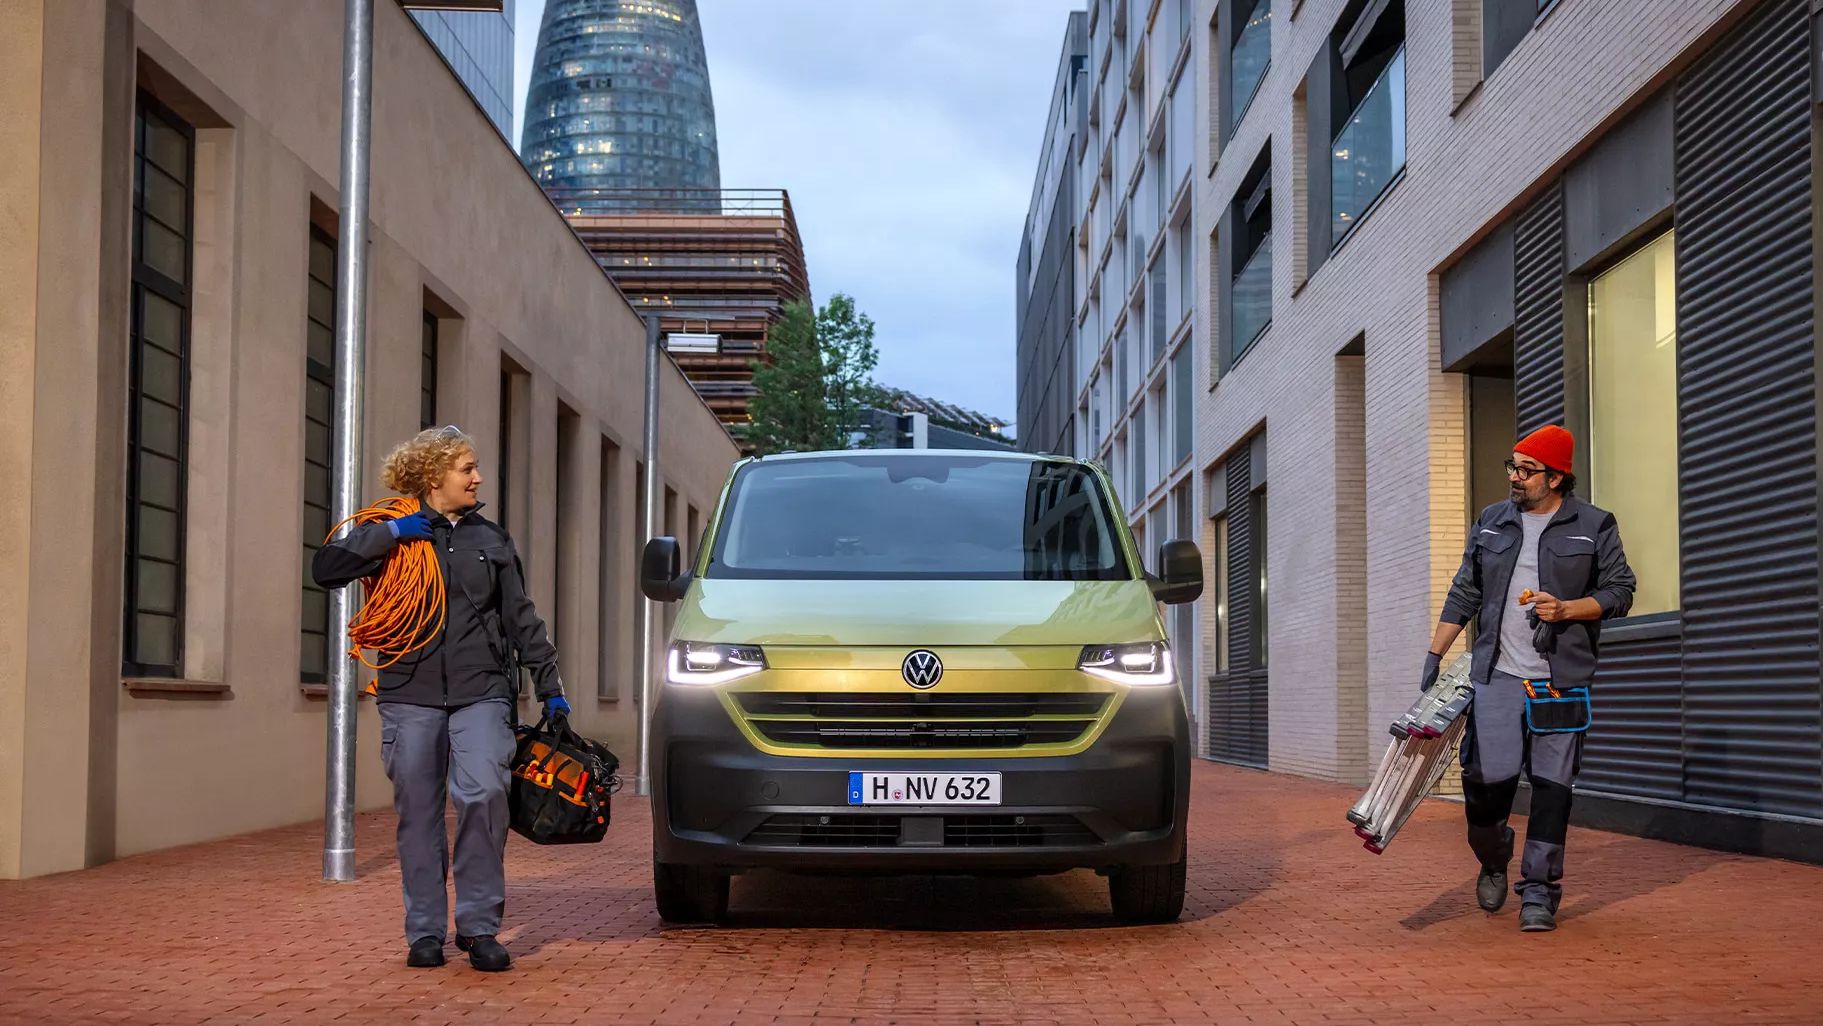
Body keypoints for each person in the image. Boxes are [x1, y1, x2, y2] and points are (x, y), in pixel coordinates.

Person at [313, 425, 568, 971]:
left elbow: (520, 616)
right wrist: (393, 534)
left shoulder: (492, 539)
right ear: (433, 476)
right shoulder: (393, 532)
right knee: (419, 813)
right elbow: (327, 569)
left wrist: (550, 687)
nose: (478, 479)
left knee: (484, 795)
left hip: (482, 691)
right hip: (409, 692)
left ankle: (478, 927)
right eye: (467, 469)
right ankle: (425, 930)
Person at [1422, 425, 1635, 933]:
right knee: (1485, 782)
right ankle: (1493, 856)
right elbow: (1465, 590)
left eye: (1527, 470)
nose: (1514, 477)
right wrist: (1435, 653)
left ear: (1556, 477)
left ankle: (1539, 891)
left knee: (1552, 789)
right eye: (1512, 467)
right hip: (1497, 674)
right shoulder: (1492, 521)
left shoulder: (1594, 525)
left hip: (1561, 679)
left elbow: (1620, 591)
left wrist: (1567, 609)